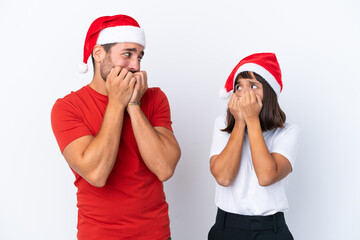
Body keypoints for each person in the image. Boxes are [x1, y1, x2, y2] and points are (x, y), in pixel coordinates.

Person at [51, 14, 181, 240]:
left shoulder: (155, 98)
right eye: (127, 54)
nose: (136, 65)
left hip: (156, 234)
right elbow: (97, 174)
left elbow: (165, 168)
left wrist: (133, 104)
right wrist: (116, 102)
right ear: (99, 54)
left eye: (140, 56)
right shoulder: (68, 108)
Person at [208, 53, 299, 240]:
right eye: (239, 86)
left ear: (270, 91)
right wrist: (240, 123)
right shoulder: (222, 125)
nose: (244, 93)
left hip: (270, 230)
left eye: (254, 86)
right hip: (227, 227)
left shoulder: (288, 132)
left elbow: (266, 176)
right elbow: (223, 177)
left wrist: (251, 120)